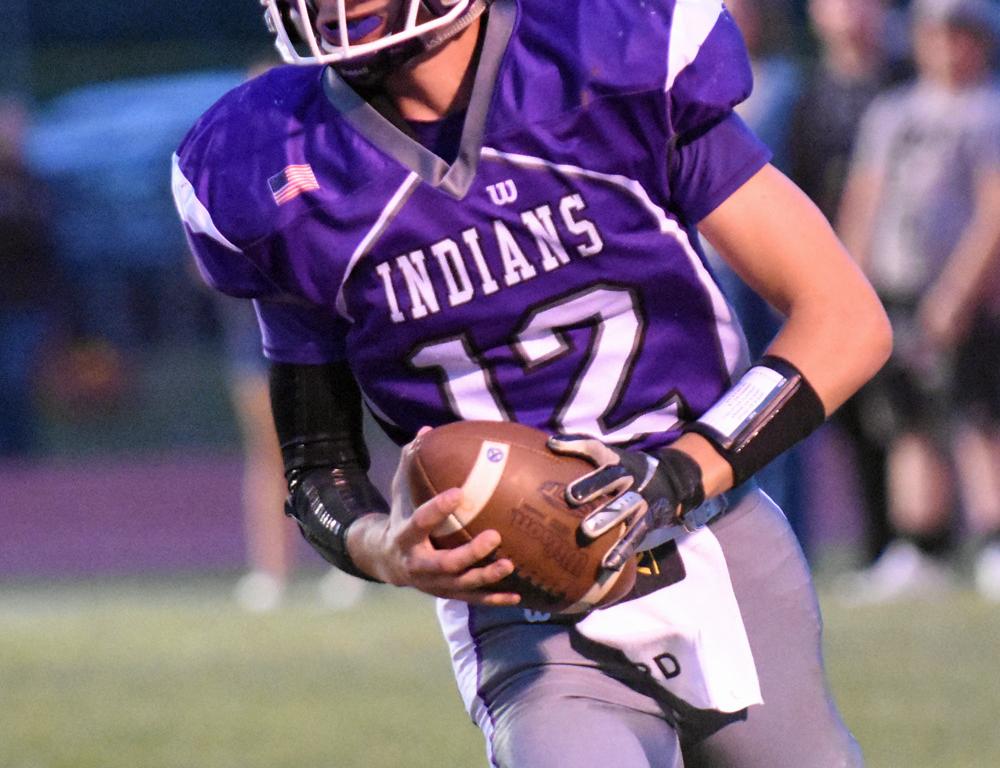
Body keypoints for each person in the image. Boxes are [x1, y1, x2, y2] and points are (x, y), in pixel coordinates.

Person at [172, 2, 891, 765]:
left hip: (716, 539)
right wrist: (385, 548)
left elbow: (845, 318)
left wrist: (676, 473)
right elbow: (318, 464)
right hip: (517, 596)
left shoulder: (605, 55)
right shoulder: (279, 162)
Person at [836, 0, 1000, 602]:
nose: (946, 48)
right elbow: (865, 196)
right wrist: (849, 281)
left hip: (966, 294)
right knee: (906, 421)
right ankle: (919, 545)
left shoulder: (988, 112)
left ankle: (992, 540)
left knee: (978, 417)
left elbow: (993, 213)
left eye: (958, 35)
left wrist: (958, 290)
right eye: (935, 34)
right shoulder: (893, 111)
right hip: (896, 287)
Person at [790, 0, 909, 569]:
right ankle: (878, 545)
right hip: (833, 267)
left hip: (900, 267)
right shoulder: (808, 97)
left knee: (915, 412)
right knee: (856, 417)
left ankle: (929, 541)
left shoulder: (904, 82)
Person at [0, 96, 61, 457]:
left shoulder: (31, 184)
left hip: (23, 300)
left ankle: (18, 455)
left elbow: (41, 235)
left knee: (14, 378)